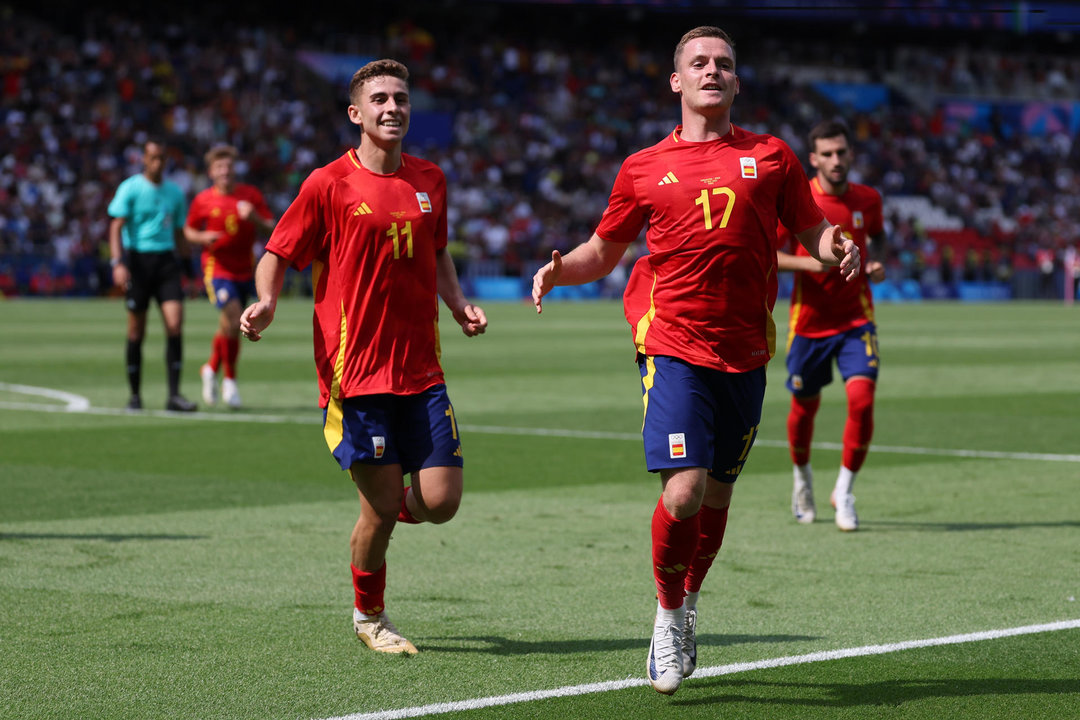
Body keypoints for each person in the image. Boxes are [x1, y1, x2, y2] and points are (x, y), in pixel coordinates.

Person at [531, 26, 860, 696]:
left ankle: (689, 598)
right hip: (674, 344)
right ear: (676, 80)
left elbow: (810, 232)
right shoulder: (643, 167)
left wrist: (836, 245)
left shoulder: (771, 158)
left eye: (725, 64)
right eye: (699, 62)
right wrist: (561, 270)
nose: (713, 70)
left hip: (745, 351)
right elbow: (606, 248)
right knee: (682, 489)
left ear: (736, 83)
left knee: (716, 495)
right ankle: (668, 614)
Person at [239, 59, 487, 655]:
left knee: (442, 502)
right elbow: (277, 250)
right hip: (357, 378)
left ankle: (386, 508)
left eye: (400, 98)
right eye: (379, 99)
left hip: (421, 370)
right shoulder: (328, 183)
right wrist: (266, 301)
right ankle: (369, 616)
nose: (392, 108)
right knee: (378, 511)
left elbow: (438, 251)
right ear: (356, 113)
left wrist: (457, 304)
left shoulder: (431, 179)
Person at [776, 119, 886, 532]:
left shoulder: (868, 198)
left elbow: (878, 235)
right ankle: (802, 478)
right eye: (828, 154)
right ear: (814, 159)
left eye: (841, 152)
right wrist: (811, 261)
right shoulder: (797, 198)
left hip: (857, 319)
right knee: (804, 409)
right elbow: (770, 255)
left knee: (862, 401)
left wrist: (876, 262)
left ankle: (845, 491)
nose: (836, 160)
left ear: (850, 154)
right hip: (809, 323)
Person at [107, 139, 197, 412]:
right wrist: (117, 262)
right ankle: (134, 396)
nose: (157, 163)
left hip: (166, 262)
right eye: (153, 157)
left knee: (175, 325)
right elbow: (116, 226)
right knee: (136, 331)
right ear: (144, 159)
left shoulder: (175, 193)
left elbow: (180, 234)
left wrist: (190, 271)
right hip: (138, 262)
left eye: (162, 158)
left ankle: (174, 395)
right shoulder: (130, 188)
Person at [183, 144, 276, 409]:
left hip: (245, 269)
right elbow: (188, 230)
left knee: (228, 325)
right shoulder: (203, 200)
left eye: (229, 166)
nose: (225, 171)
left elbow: (271, 226)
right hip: (217, 269)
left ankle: (210, 368)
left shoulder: (250, 195)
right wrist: (202, 237)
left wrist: (255, 217)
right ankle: (230, 382)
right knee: (235, 319)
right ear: (211, 172)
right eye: (219, 167)